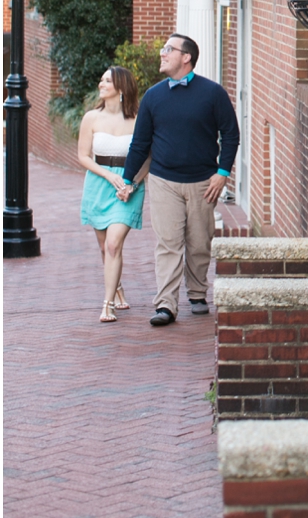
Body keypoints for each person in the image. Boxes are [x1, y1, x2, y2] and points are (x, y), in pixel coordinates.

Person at [119, 33, 239, 326]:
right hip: (163, 181)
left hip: (203, 183)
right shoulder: (154, 96)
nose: (162, 53)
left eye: (168, 49)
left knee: (199, 242)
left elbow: (231, 133)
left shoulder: (213, 93)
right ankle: (166, 306)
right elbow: (140, 143)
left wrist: (222, 174)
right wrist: (127, 179)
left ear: (186, 57)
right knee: (168, 244)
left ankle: (197, 294)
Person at [77, 65, 144, 323]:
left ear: (121, 87)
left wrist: (132, 183)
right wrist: (109, 176)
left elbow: (147, 157)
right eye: (101, 79)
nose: (101, 84)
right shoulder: (91, 118)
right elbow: (83, 156)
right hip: (98, 185)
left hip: (128, 188)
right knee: (105, 247)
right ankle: (116, 287)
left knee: (114, 243)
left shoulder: (139, 118)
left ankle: (107, 305)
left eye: (107, 80)